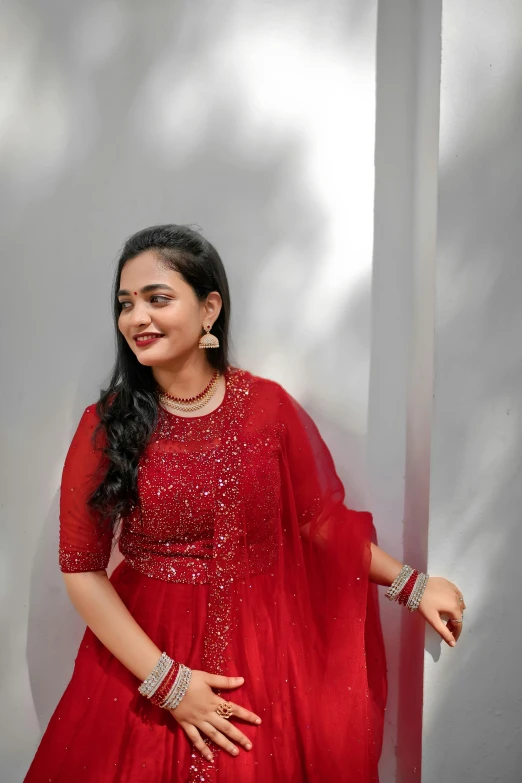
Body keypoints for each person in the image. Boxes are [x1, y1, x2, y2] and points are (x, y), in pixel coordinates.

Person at [23, 224, 466, 783]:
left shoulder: (268, 410)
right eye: (125, 304)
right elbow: (82, 568)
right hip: (146, 654)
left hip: (264, 655)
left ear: (209, 309)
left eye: (157, 299)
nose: (137, 318)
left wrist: (412, 585)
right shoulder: (108, 425)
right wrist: (170, 684)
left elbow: (318, 524)